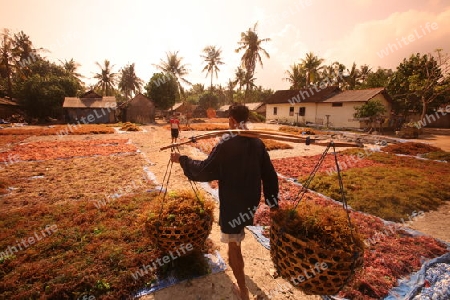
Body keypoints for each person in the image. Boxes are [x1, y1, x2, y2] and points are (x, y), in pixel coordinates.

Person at [170, 104, 279, 300]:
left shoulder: (225, 144)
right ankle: (242, 278)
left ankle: (243, 291)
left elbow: (204, 170)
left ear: (231, 120)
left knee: (233, 245)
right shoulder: (257, 143)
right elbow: (270, 175)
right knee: (237, 237)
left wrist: (183, 160)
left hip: (233, 202)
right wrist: (273, 204)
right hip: (250, 200)